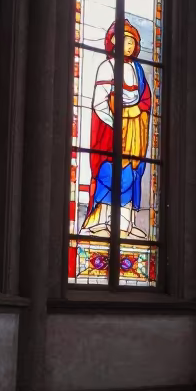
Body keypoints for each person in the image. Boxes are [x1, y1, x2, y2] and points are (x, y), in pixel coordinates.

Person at [82, 19, 151, 237]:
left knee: (130, 175)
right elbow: (99, 102)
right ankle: (100, 221)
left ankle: (125, 224)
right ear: (113, 42)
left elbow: (146, 99)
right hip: (111, 131)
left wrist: (135, 114)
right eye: (123, 41)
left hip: (134, 133)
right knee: (108, 174)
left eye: (132, 42)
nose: (128, 46)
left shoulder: (138, 70)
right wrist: (115, 123)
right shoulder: (107, 67)